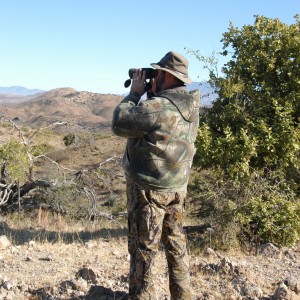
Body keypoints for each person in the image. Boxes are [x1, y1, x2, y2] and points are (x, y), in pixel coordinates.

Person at [112, 51, 200, 300]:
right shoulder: (190, 104)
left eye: (157, 73)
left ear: (166, 75)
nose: (153, 77)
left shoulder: (158, 107)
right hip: (176, 188)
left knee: (143, 252)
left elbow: (120, 123)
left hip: (149, 190)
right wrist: (154, 92)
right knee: (176, 246)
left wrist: (135, 94)